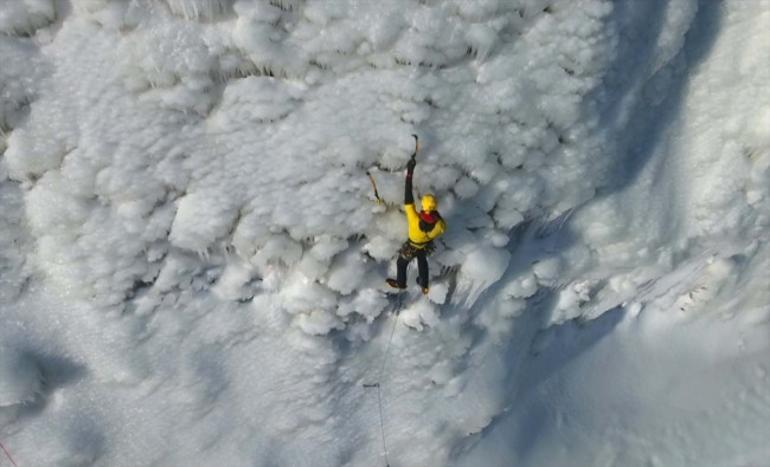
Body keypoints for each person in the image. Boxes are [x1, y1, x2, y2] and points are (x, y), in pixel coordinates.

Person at [386, 152, 446, 294]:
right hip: (425, 245)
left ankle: (401, 283)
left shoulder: (414, 218)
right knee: (422, 261)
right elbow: (442, 224)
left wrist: (410, 172)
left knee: (401, 263)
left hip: (412, 244)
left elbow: (408, 195)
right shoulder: (439, 225)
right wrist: (435, 215)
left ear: (423, 207)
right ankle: (424, 284)